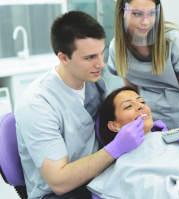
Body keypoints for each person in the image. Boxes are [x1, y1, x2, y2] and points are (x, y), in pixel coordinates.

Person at [14, 11, 161, 199]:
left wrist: (144, 130)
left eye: (102, 53)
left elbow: (108, 126)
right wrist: (116, 148)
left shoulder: (94, 82)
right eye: (90, 57)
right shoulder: (37, 105)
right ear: (64, 58)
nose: (101, 64)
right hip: (62, 193)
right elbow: (59, 182)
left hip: (98, 177)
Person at [108, 0, 179, 142]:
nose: (146, 22)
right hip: (149, 118)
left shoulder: (173, 41)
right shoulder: (116, 48)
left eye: (152, 13)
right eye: (137, 13)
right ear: (122, 13)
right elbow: (131, 90)